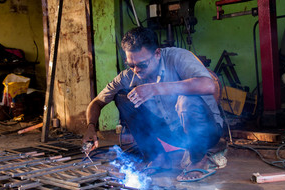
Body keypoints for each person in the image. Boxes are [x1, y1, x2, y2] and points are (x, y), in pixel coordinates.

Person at [82, 27, 223, 182]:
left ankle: (199, 159)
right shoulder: (130, 75)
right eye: (131, 65)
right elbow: (97, 102)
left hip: (206, 132)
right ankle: (158, 157)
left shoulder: (178, 57)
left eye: (142, 64)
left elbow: (209, 86)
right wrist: (90, 126)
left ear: (157, 53)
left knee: (187, 100)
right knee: (123, 97)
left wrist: (156, 88)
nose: (136, 70)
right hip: (172, 134)